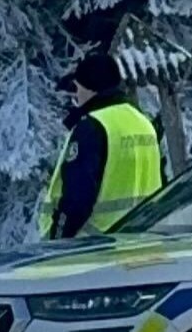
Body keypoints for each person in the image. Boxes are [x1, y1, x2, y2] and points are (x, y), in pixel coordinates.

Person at [38, 51, 164, 239]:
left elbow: (77, 199)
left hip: (93, 249)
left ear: (91, 89)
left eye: (78, 87)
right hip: (140, 243)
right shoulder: (142, 122)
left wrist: (58, 241)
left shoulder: (92, 126)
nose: (76, 95)